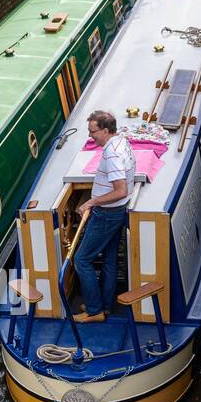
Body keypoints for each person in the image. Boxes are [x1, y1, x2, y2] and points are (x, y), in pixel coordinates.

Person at [72, 112, 136, 322]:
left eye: (93, 132)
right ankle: (104, 306)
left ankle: (93, 310)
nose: (90, 136)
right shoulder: (121, 143)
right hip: (116, 211)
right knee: (109, 259)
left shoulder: (112, 154)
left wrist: (91, 202)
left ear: (106, 131)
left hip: (107, 214)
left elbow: (120, 190)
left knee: (81, 259)